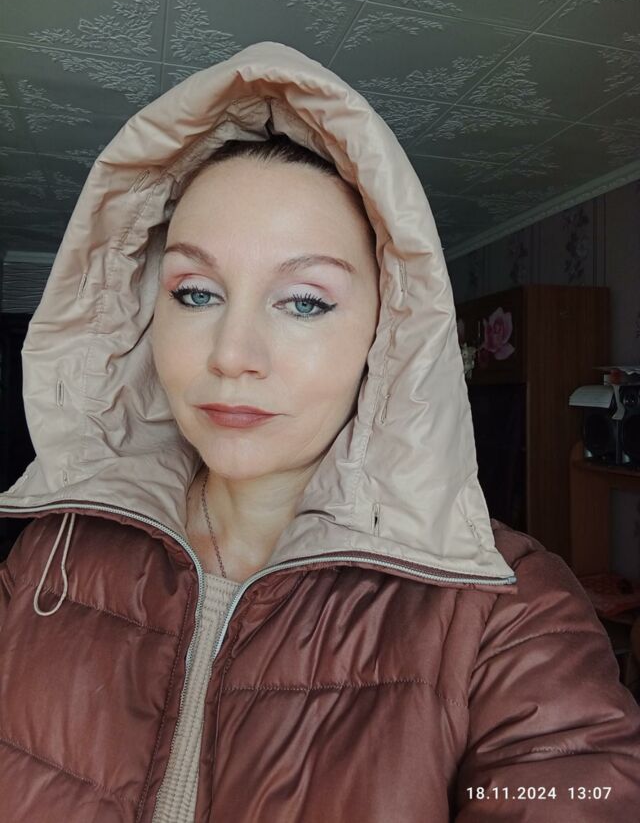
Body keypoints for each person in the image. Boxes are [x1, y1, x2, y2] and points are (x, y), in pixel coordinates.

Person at [0, 41, 638, 822]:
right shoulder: (46, 561)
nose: (232, 354)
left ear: (388, 331)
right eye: (196, 292)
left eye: (304, 301)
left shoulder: (508, 613)